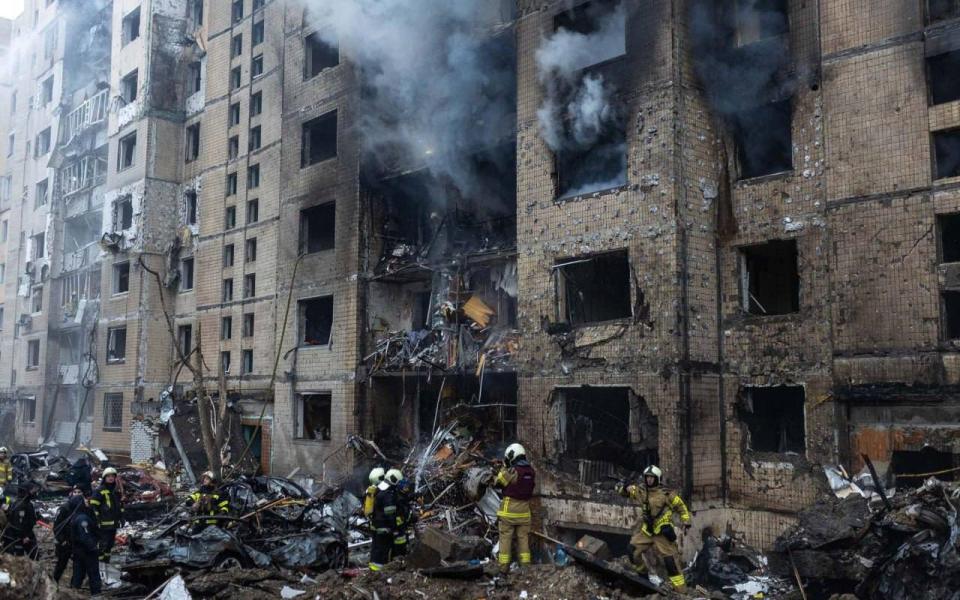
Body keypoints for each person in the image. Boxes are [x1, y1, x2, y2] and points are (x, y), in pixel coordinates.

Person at [616, 465, 692, 592]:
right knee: (632, 551)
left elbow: (681, 507)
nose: (649, 480)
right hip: (647, 530)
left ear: (657, 479)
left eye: (652, 478)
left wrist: (686, 521)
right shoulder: (641, 491)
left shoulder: (666, 494)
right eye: (647, 478)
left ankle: (681, 591)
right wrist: (624, 487)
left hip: (662, 532)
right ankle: (644, 576)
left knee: (670, 562)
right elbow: (623, 492)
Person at [493, 443, 535, 574]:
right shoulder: (531, 471)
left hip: (509, 512)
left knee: (505, 539)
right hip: (524, 513)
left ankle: (503, 569)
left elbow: (498, 483)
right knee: (523, 540)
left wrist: (502, 468)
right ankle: (525, 568)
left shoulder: (512, 471)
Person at [369, 468, 402, 572]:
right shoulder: (388, 494)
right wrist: (395, 528)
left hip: (376, 525)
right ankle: (378, 572)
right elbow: (390, 513)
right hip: (384, 527)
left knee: (376, 549)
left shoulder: (379, 489)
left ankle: (373, 570)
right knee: (382, 551)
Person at [69, 493, 102, 595]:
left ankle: (74, 592)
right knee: (93, 573)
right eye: (84, 500)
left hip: (78, 550)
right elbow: (85, 536)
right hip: (87, 551)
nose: (87, 501)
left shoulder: (75, 516)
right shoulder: (82, 518)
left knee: (78, 572)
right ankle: (96, 595)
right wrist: (93, 548)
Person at [89, 467, 123, 563]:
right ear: (104, 478)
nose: (111, 478)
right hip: (103, 524)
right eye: (108, 476)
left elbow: (119, 506)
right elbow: (93, 506)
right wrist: (97, 520)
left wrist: (121, 517)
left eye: (113, 476)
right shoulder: (100, 490)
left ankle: (106, 563)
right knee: (102, 545)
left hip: (113, 524)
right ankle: (100, 565)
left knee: (110, 545)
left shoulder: (115, 492)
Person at [53, 487, 85, 583]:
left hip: (77, 541)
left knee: (79, 565)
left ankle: (74, 585)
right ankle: (55, 581)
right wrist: (62, 540)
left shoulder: (83, 507)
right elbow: (57, 527)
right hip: (65, 541)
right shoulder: (65, 508)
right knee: (62, 564)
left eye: (79, 492)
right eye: (75, 492)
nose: (77, 494)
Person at [1, 483, 38, 559]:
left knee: (35, 555)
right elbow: (16, 523)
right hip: (19, 537)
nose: (34, 492)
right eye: (32, 490)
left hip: (28, 534)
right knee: (18, 558)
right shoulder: (20, 505)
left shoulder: (28, 503)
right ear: (25, 491)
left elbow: (31, 519)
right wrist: (24, 536)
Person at [393, 474, 417, 558]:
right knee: (400, 543)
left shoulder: (400, 495)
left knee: (404, 540)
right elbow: (403, 513)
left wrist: (413, 496)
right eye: (405, 487)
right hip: (399, 525)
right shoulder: (399, 499)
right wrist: (412, 518)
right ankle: (400, 557)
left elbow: (406, 498)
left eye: (407, 487)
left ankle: (402, 555)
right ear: (401, 487)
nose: (407, 489)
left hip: (401, 525)